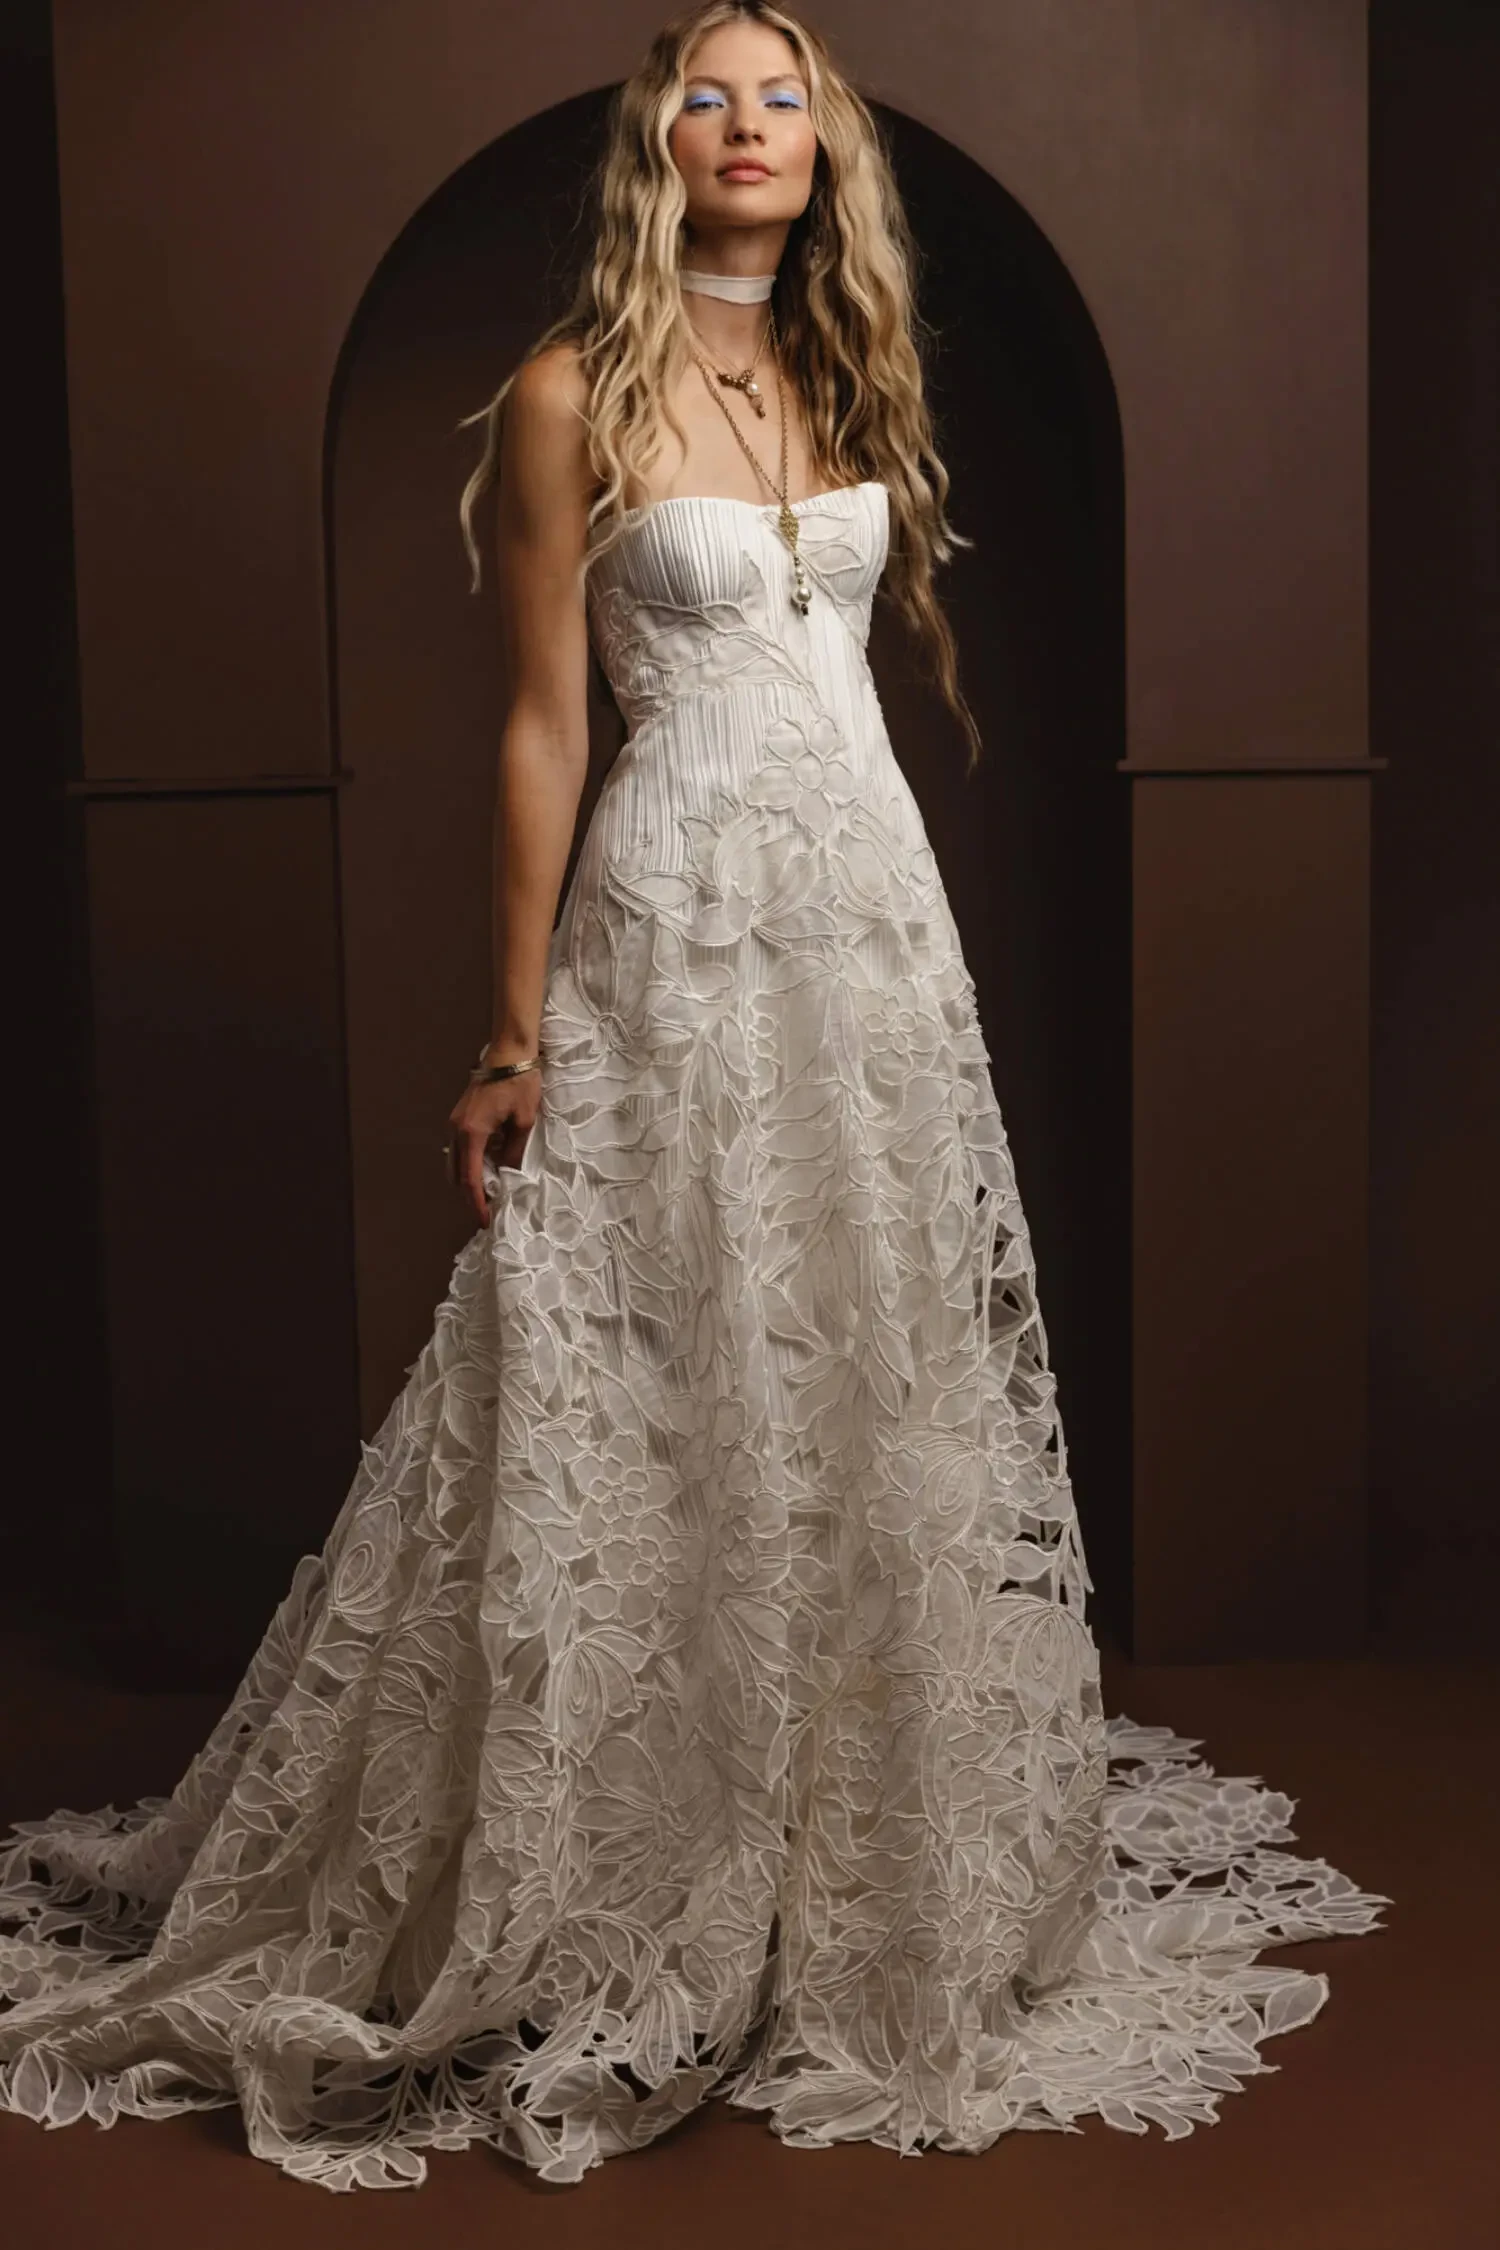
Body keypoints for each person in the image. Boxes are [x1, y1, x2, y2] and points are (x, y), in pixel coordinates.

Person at [0, 0, 1385, 2193]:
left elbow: (840, 669)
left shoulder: (846, 372)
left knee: (865, 1362)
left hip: (870, 925)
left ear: (821, 148)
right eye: (708, 97)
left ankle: (851, 1836)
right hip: (670, 923)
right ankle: (603, 1840)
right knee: (633, 1370)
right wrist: (507, 1030)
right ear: (661, 143)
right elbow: (548, 724)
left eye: (784, 98)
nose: (748, 126)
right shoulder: (572, 388)